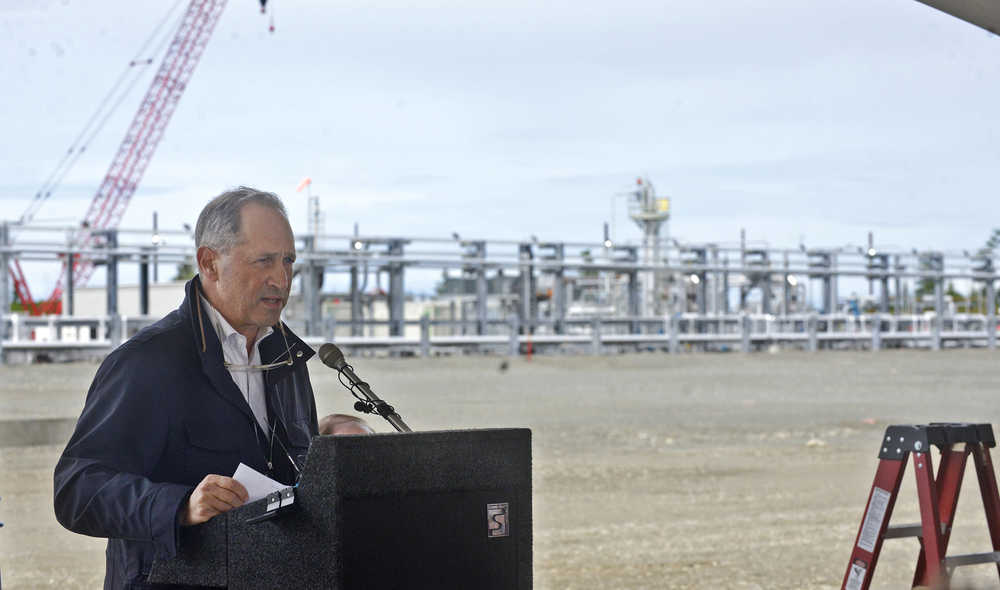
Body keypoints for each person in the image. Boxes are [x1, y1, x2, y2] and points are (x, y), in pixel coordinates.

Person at [54, 187, 367, 590]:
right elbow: (77, 489)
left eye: (288, 261)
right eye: (263, 261)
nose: (282, 279)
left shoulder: (288, 359)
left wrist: (331, 465)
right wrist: (180, 505)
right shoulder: (147, 362)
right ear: (209, 262)